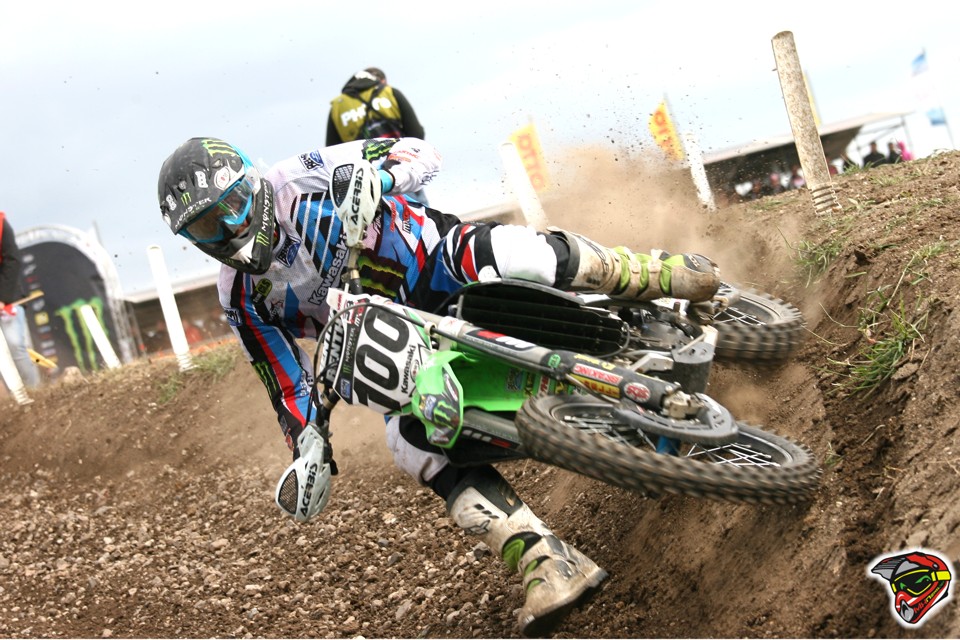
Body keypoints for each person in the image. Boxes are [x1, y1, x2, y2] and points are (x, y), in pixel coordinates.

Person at [156, 136, 721, 637]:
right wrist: (308, 445)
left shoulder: (301, 176)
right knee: (408, 443)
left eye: (231, 206)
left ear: (250, 182)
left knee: (517, 255)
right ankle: (544, 558)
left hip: (431, 260)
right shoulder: (238, 296)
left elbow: (418, 151)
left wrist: (380, 179)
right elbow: (285, 381)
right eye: (206, 227)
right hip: (387, 337)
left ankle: (652, 273)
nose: (229, 229)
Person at [326, 68, 425, 145]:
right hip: (399, 161)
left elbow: (331, 152)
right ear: (382, 81)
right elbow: (417, 133)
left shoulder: (337, 106)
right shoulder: (390, 92)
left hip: (361, 164)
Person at [0, 211, 41, 390]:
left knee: (15, 345)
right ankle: (15, 398)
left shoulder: (1, 224)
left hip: (8, 298)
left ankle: (36, 392)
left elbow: (12, 260)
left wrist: (2, 298)